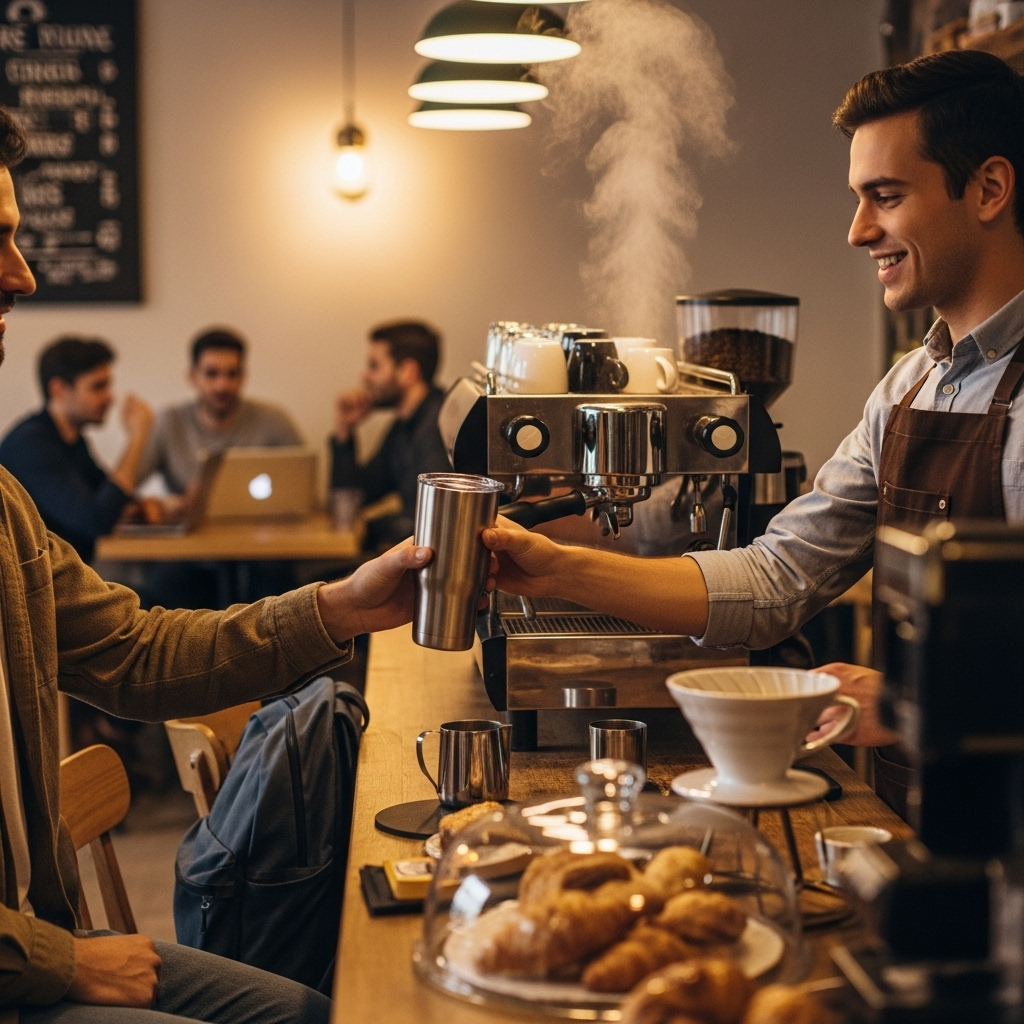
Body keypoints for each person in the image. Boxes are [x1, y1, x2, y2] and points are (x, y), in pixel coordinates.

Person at [481, 50, 1024, 820]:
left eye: (887, 196)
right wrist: (557, 569)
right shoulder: (909, 385)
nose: (857, 230)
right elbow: (775, 579)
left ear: (989, 189)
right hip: (919, 827)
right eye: (859, 198)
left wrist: (916, 702)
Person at [0, 106, 434, 1023]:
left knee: (332, 1003)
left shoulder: (2, 503)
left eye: (19, 239)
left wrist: (342, 607)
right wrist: (57, 965)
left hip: (40, 946)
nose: (23, 275)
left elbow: (136, 648)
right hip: (29, 971)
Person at [0, 337, 154, 563]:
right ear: (59, 389)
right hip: (42, 586)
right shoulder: (30, 444)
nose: (110, 396)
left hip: (70, 574)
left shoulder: (72, 439)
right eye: (98, 386)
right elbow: (96, 522)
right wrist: (138, 438)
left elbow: (111, 501)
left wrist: (142, 508)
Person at [139, 327, 302, 498]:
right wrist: (170, 506)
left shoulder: (273, 420)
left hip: (262, 523)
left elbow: (304, 485)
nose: (222, 385)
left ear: (243, 376)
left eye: (232, 374)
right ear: (192, 376)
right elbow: (124, 490)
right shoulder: (168, 422)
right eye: (211, 374)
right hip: (190, 524)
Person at [331, 320, 450, 549]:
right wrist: (344, 431)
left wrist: (374, 528)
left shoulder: (439, 425)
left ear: (407, 371)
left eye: (374, 366)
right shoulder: (404, 425)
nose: (364, 377)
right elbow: (359, 495)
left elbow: (431, 522)